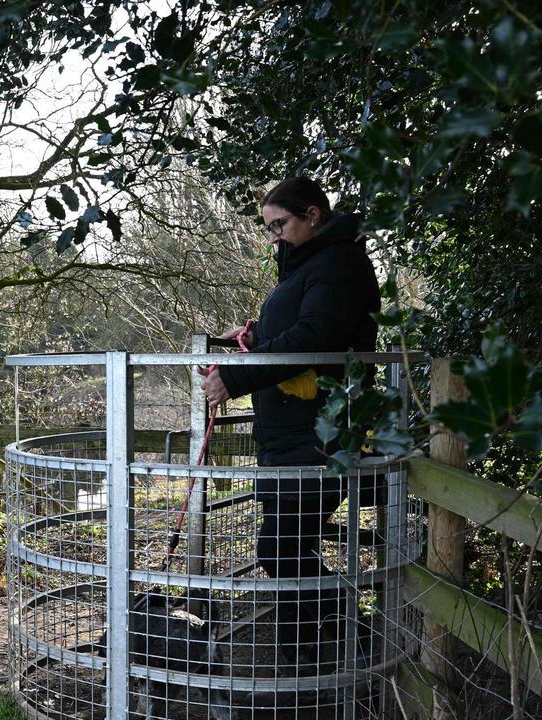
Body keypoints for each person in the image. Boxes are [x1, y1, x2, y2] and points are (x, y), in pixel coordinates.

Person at [198, 176, 380, 671]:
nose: (273, 236)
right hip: (290, 432)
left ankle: (348, 627)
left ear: (313, 215)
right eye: (269, 227)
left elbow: (317, 334)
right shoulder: (309, 263)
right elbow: (300, 325)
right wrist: (255, 334)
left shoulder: (339, 262)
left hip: (318, 432)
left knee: (278, 549)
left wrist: (236, 377)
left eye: (279, 224)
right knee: (290, 547)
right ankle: (299, 660)